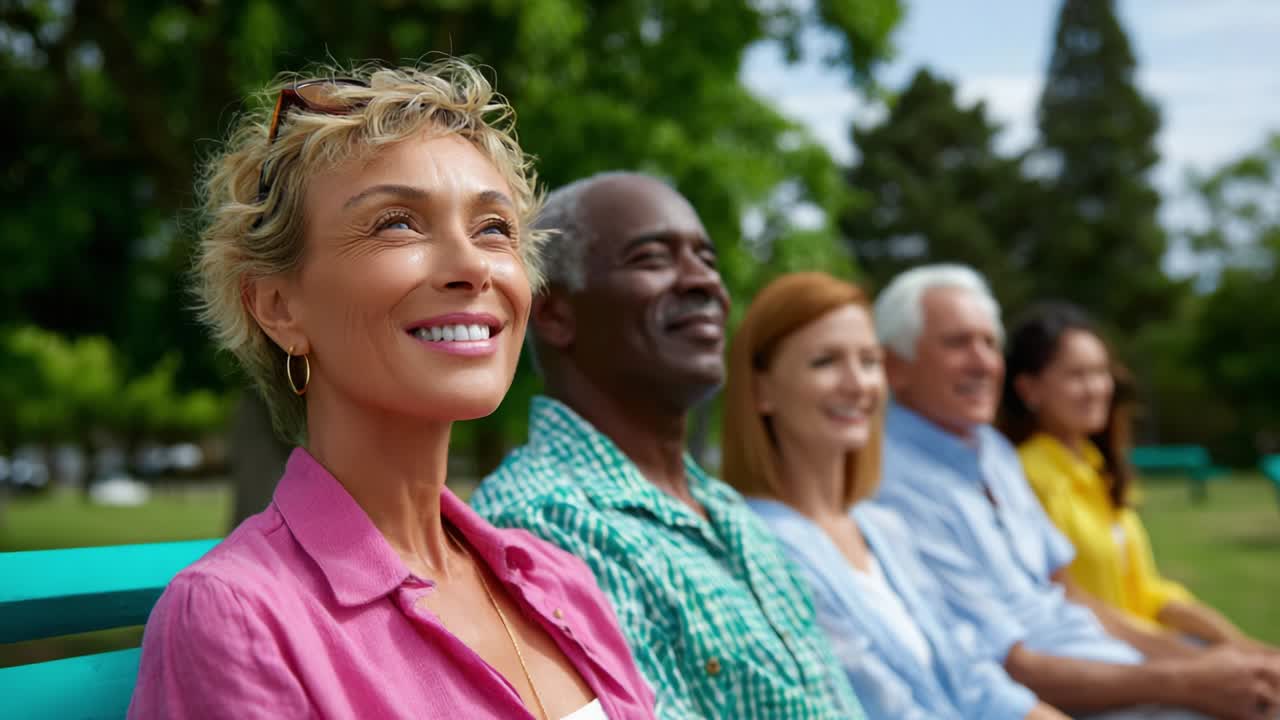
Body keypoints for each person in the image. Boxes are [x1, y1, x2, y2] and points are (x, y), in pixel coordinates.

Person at [129, 60, 654, 720]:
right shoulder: (238, 616)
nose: (471, 266)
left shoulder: (559, 581)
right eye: (397, 223)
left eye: (494, 228)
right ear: (277, 306)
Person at [470, 172, 864, 719]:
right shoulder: (542, 527)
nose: (704, 283)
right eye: (653, 258)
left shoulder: (725, 511)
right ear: (556, 314)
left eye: (707, 260)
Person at [872, 264, 1280, 720]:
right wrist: (1193, 679)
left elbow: (1075, 598)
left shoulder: (994, 452)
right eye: (956, 342)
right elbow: (999, 670)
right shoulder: (892, 483)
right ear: (895, 367)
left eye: (990, 343)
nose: (984, 361)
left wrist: (1226, 661)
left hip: (1116, 665)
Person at [721, 271, 1069, 720]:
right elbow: (882, 706)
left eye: (868, 361)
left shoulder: (881, 527)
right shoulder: (763, 546)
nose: (857, 384)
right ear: (762, 390)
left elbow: (975, 680)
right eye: (825, 361)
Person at [1001, 301, 1280, 655]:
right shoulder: (1023, 477)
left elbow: (1147, 593)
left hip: (1151, 651)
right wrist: (1201, 662)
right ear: (1029, 389)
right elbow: (1073, 607)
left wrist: (1239, 644)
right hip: (1104, 668)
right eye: (1077, 375)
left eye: (1100, 372)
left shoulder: (1095, 469)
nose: (1096, 388)